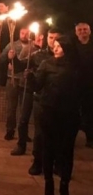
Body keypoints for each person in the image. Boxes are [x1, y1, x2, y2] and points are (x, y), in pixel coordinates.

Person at [34, 35, 82, 195]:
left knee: (67, 150)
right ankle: (48, 183)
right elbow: (37, 86)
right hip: (49, 112)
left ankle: (64, 184)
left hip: (69, 114)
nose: (55, 48)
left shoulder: (76, 66)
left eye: (59, 46)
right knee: (48, 148)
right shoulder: (46, 64)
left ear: (67, 48)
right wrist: (31, 78)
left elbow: (82, 90)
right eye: (54, 45)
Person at [28, 29, 60, 176]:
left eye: (56, 38)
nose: (53, 41)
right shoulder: (39, 56)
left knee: (58, 133)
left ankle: (57, 162)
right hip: (41, 100)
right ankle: (38, 161)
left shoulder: (69, 59)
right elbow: (36, 82)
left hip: (60, 102)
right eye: (51, 37)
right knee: (40, 133)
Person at [0, 28, 39, 141]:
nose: (24, 35)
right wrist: (8, 60)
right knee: (11, 107)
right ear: (19, 33)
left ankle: (23, 133)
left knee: (25, 109)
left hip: (26, 81)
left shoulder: (34, 47)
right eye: (22, 33)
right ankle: (10, 130)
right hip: (12, 79)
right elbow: (2, 59)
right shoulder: (12, 45)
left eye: (27, 33)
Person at [74, 22, 93, 148]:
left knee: (90, 112)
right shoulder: (73, 47)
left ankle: (90, 138)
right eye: (80, 30)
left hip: (91, 85)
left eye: (85, 29)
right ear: (76, 33)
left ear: (89, 31)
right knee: (75, 112)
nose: (82, 32)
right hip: (76, 85)